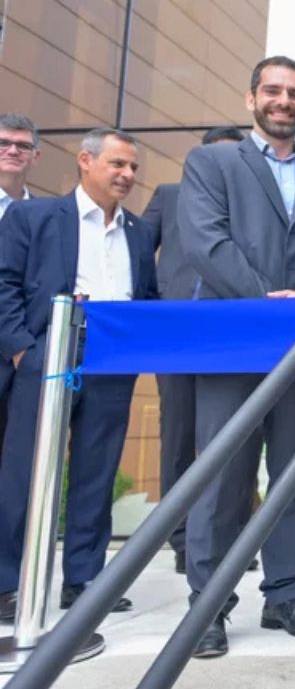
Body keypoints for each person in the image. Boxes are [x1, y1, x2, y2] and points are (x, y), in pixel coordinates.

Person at [179, 56, 295, 658]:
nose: (284, 101)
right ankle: (209, 607)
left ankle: (284, 595)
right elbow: (206, 241)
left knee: (293, 478)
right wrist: (265, 300)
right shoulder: (213, 162)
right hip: (233, 342)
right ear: (251, 98)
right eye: (273, 91)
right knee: (222, 479)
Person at [0, 128, 156, 623]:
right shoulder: (34, 216)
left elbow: (147, 297)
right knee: (24, 472)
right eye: (117, 164)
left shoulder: (139, 231)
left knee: (96, 472)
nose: (128, 175)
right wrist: (24, 350)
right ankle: (7, 583)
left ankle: (84, 579)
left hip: (112, 362)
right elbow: (2, 283)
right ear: (84, 162)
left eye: (132, 167)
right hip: (48, 356)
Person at [140, 125, 247, 577]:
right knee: (180, 437)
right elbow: (139, 251)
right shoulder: (169, 194)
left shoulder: (250, 202)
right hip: (180, 332)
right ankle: (183, 540)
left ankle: (229, 537)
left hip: (231, 334)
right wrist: (154, 307)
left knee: (229, 438)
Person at [0, 113, 40, 459]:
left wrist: (24, 353)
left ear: (35, 156)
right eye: (4, 143)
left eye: (23, 145)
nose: (13, 150)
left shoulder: (47, 216)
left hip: (21, 361)